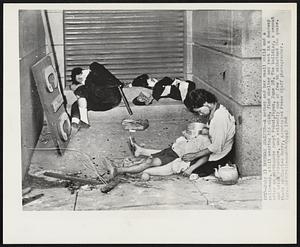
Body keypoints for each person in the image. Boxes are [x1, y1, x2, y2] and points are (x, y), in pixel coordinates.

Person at [106, 122, 211, 179]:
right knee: (147, 160)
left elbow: (205, 156)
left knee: (149, 162)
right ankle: (128, 164)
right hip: (170, 151)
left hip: (173, 157)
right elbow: (189, 138)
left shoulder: (206, 141)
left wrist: (191, 168)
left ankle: (119, 170)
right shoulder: (201, 135)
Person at [180, 89, 236, 177]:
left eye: (199, 111)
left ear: (206, 103)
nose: (200, 114)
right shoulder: (215, 110)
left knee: (187, 167)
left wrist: (194, 155)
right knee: (183, 154)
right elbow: (208, 132)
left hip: (220, 155)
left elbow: (216, 147)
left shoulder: (220, 118)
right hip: (210, 147)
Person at [70, 62, 123, 129]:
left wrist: (116, 82)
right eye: (78, 79)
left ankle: (83, 121)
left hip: (111, 96)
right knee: (75, 104)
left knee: (81, 90)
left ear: (81, 72)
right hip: (103, 104)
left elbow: (101, 72)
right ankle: (75, 122)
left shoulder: (93, 74)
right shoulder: (85, 85)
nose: (80, 78)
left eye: (79, 76)